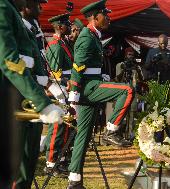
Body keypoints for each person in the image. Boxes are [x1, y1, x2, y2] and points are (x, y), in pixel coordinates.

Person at [67, 0, 134, 188]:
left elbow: (89, 64)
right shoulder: (87, 36)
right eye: (106, 15)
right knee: (127, 90)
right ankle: (111, 131)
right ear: (95, 17)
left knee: (84, 136)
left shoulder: (94, 35)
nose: (109, 18)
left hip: (92, 83)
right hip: (88, 88)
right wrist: (73, 95)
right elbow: (77, 66)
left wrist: (101, 74)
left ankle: (74, 181)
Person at [0, 0, 64, 187]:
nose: (40, 7)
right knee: (16, 163)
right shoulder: (4, 8)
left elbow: (34, 60)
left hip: (26, 94)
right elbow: (10, 61)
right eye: (36, 2)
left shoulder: (20, 19)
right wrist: (42, 102)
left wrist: (47, 87)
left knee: (28, 156)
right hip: (14, 95)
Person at [44, 13, 73, 176]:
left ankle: (59, 160)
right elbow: (55, 74)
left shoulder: (62, 43)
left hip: (66, 89)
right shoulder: (55, 45)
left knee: (65, 125)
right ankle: (50, 163)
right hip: (59, 90)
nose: (70, 27)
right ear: (60, 27)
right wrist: (63, 87)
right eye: (67, 24)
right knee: (57, 126)